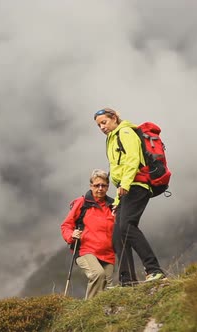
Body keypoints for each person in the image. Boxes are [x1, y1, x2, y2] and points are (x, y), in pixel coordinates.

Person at [94, 108, 166, 286]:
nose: (102, 127)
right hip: (126, 188)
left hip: (136, 185)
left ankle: (154, 270)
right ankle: (127, 281)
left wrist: (125, 184)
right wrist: (118, 201)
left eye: (104, 122)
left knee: (127, 226)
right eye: (98, 125)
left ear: (114, 118)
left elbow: (132, 159)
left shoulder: (125, 132)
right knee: (118, 234)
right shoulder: (112, 138)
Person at [61, 169, 116, 299]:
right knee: (98, 274)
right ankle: (88, 311)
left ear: (108, 187)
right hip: (86, 250)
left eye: (104, 185)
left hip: (108, 253)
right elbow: (66, 225)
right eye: (97, 185)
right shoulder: (82, 202)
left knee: (107, 288)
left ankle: (101, 316)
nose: (100, 188)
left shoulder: (112, 205)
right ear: (91, 186)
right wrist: (71, 235)